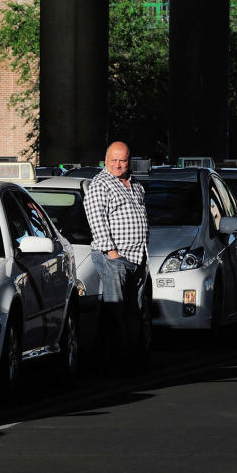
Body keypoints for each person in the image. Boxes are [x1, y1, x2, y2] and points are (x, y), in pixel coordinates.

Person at [84, 141, 149, 365]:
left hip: (137, 257)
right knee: (116, 312)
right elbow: (96, 219)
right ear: (106, 160)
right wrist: (112, 253)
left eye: (122, 160)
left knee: (134, 310)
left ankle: (131, 356)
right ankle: (117, 362)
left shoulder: (135, 183)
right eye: (114, 160)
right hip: (115, 258)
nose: (118, 165)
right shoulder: (100, 184)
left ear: (129, 160)